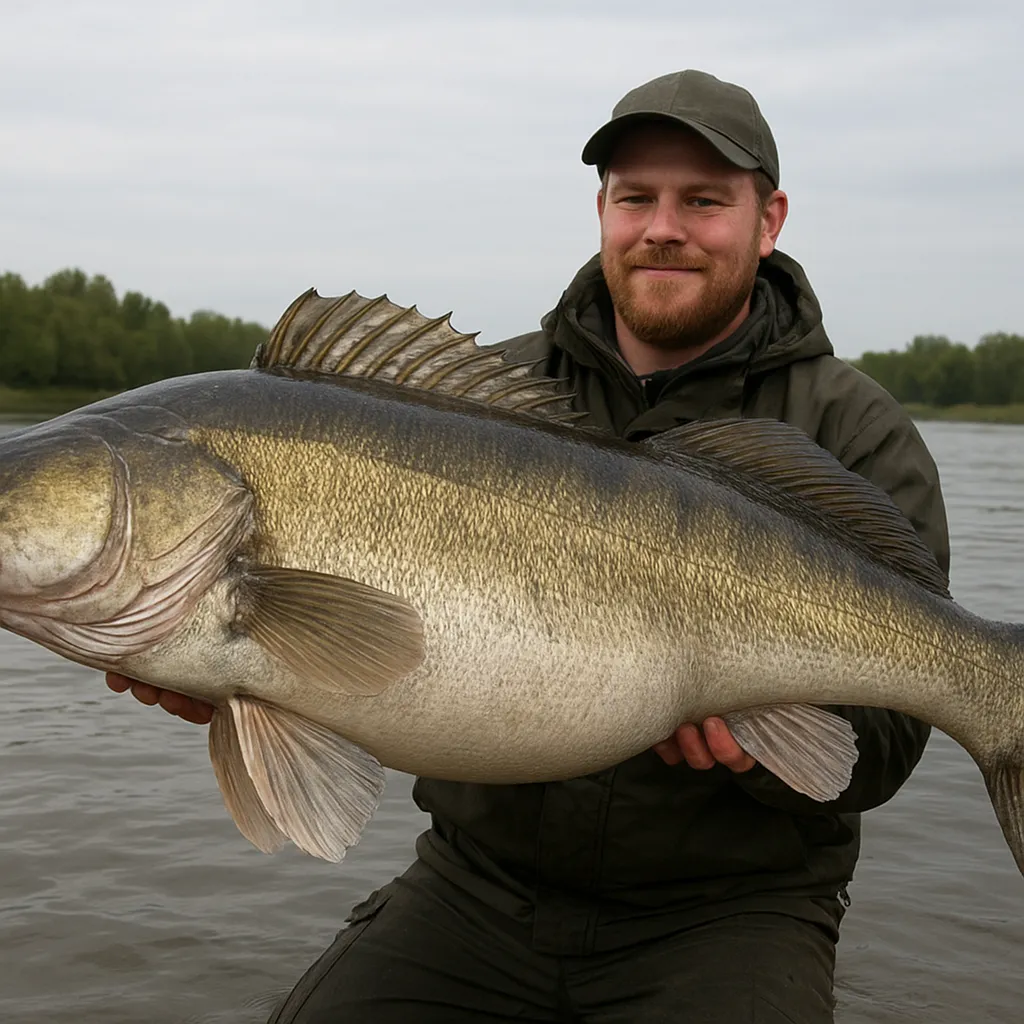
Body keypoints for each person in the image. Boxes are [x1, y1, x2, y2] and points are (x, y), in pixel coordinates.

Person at [107, 70, 949, 1022]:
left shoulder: (855, 433)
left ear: (770, 219)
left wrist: (756, 752)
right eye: (636, 197)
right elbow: (381, 660)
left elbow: (882, 747)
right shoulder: (473, 395)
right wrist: (239, 678)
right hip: (478, 891)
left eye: (704, 201)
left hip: (732, 915)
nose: (662, 226)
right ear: (602, 210)